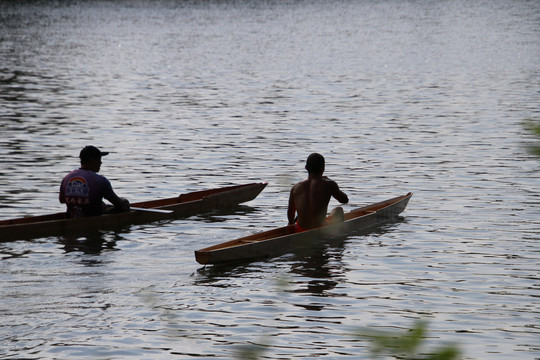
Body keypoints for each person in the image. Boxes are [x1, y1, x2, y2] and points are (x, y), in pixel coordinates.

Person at [59, 145, 130, 218]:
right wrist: (123, 201)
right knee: (125, 203)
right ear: (92, 160)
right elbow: (120, 205)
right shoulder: (100, 180)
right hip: (93, 218)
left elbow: (62, 200)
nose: (101, 163)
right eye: (99, 159)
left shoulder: (66, 178)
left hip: (72, 217)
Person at [287, 153, 349, 232]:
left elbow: (290, 213)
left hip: (300, 229)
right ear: (323, 168)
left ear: (306, 168)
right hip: (320, 228)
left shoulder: (295, 188)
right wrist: (330, 181)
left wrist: (291, 225)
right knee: (338, 210)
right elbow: (344, 200)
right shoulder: (329, 184)